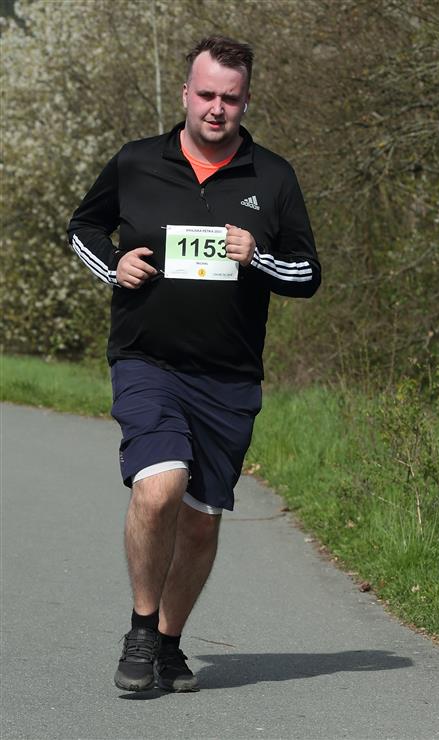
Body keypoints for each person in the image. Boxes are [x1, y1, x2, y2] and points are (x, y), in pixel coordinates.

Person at [68, 35, 321, 693]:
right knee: (159, 487)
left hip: (228, 377)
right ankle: (140, 630)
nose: (215, 108)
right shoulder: (136, 162)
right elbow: (83, 228)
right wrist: (113, 265)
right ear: (185, 93)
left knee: (202, 520)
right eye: (205, 94)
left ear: (245, 101)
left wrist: (257, 258)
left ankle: (169, 644)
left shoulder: (273, 177)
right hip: (146, 360)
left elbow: (306, 274)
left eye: (229, 98)